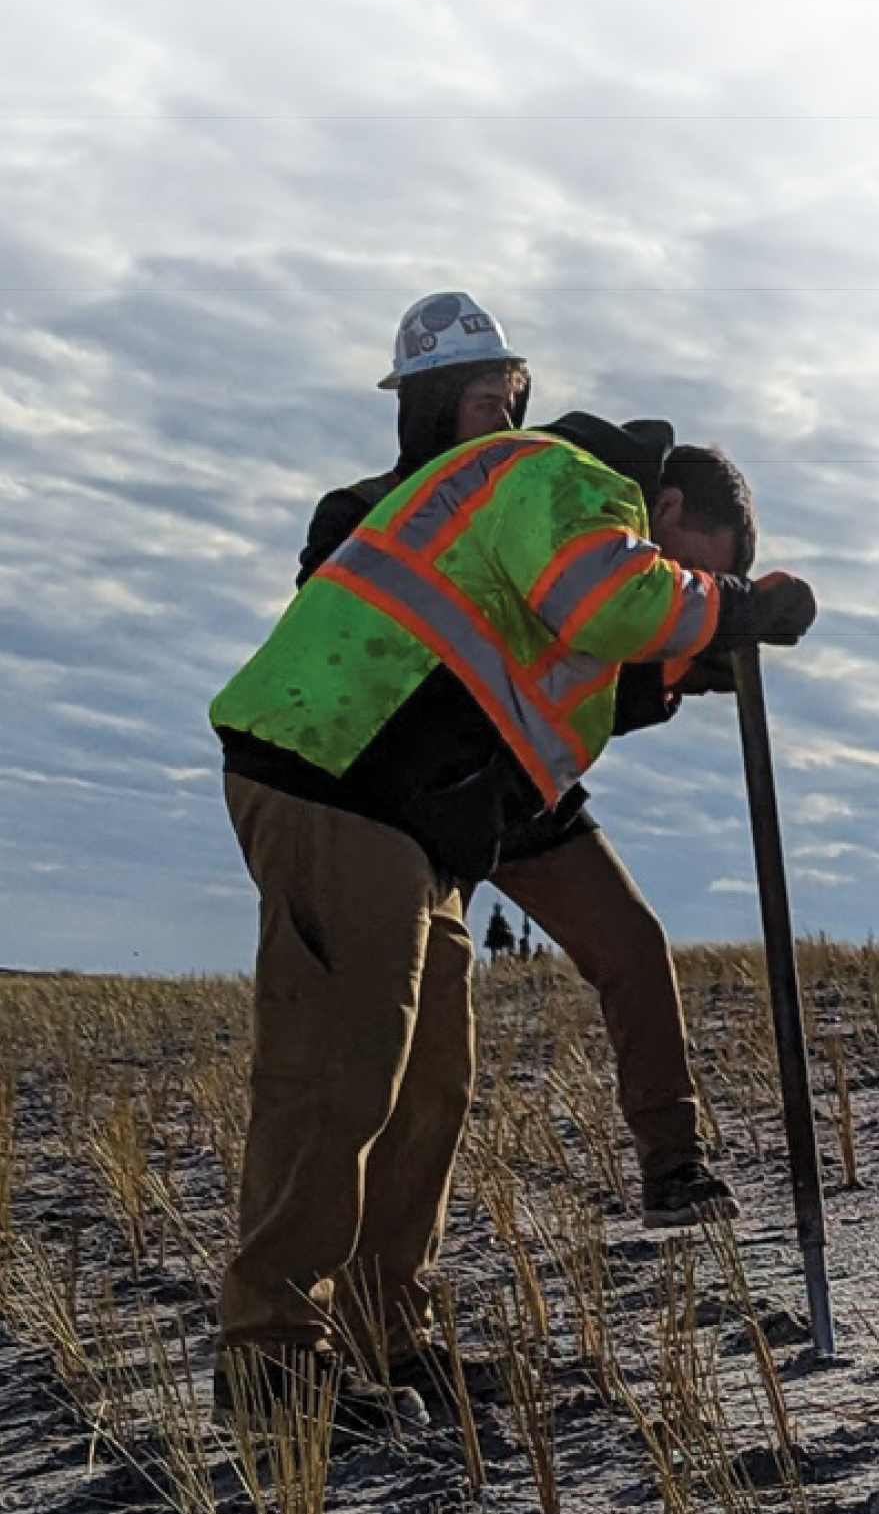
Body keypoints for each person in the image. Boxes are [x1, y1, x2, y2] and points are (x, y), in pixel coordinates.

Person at [210, 379, 817, 1429]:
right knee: (343, 1069)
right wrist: (725, 606)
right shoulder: (571, 480)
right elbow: (604, 598)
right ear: (667, 514)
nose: (690, 584)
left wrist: (714, 641)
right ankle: (269, 1356)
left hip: (418, 811)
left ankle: (383, 1338)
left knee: (432, 1081)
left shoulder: (565, 512)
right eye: (694, 565)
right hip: (337, 764)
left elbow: (597, 653)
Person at [298, 294, 742, 1233]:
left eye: (511, 392)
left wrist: (666, 668)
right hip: (403, 800)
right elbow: (354, 658)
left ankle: (675, 1166)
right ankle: (350, 1293)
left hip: (518, 792)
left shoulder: (535, 495)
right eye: (483, 395)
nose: (503, 412)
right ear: (427, 403)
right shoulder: (357, 514)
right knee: (411, 1040)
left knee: (631, 941)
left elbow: (568, 671)